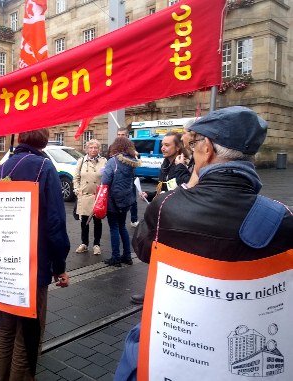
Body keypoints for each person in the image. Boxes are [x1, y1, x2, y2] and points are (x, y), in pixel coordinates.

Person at [117, 106, 293, 380]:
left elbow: (144, 251)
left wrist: (189, 189)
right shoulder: (282, 216)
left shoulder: (166, 207)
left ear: (207, 148)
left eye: (196, 142)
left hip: (178, 348)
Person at [0, 129, 70, 381]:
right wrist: (59, 265)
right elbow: (55, 222)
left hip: (6, 264)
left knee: (6, 330)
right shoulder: (44, 167)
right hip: (33, 265)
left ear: (19, 139)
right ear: (45, 141)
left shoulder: (3, 167)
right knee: (28, 336)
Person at [102, 137, 140, 267]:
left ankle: (116, 257)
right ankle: (127, 256)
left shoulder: (113, 161)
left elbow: (105, 181)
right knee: (122, 226)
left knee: (114, 228)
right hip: (126, 199)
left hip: (113, 199)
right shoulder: (132, 162)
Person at [73, 139, 107, 255]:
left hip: (98, 197)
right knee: (84, 222)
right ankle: (84, 244)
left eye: (95, 148)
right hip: (84, 196)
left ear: (99, 149)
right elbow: (76, 177)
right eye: (91, 148)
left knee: (97, 222)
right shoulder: (81, 161)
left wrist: (104, 193)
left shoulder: (104, 161)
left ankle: (96, 245)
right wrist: (77, 190)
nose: (93, 150)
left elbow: (107, 178)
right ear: (87, 149)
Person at [141, 131, 184, 202]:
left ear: (178, 147)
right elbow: (162, 191)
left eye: (167, 145)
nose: (162, 148)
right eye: (162, 145)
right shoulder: (165, 164)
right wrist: (148, 195)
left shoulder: (183, 166)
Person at [171, 118, 197, 186]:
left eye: (184, 133)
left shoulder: (200, 158)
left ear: (193, 135)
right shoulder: (193, 157)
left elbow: (187, 185)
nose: (181, 138)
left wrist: (180, 166)